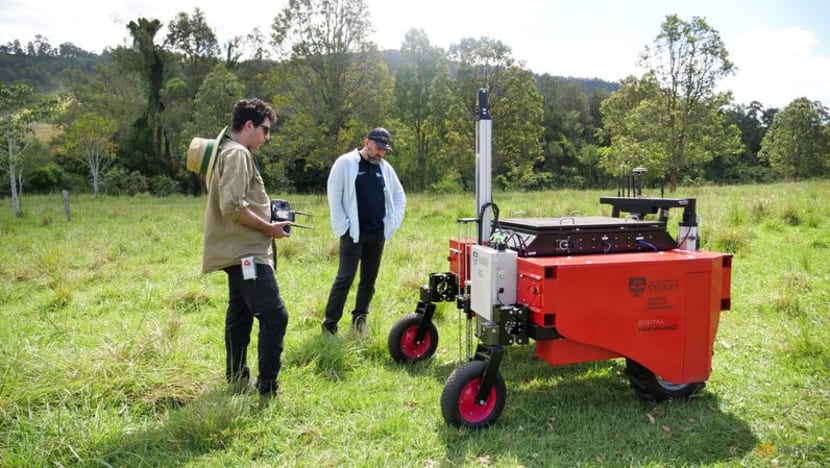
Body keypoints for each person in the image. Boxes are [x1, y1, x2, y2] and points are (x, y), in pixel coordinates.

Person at [202, 98, 291, 400]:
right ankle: (267, 388)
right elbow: (232, 206)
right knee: (275, 315)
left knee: (240, 315)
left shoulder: (228, 151)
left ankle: (237, 379)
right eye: (265, 130)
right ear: (249, 125)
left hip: (237, 251)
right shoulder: (238, 153)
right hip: (246, 254)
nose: (268, 137)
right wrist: (269, 228)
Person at [322, 127, 406, 334]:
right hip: (353, 233)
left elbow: (399, 195)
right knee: (345, 279)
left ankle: (359, 320)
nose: (380, 153)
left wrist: (391, 222)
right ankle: (330, 325)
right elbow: (334, 196)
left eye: (384, 150)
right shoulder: (345, 163)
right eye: (378, 148)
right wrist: (344, 226)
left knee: (369, 280)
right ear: (367, 142)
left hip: (377, 233)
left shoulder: (385, 168)